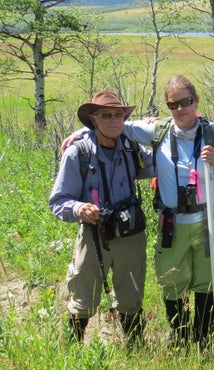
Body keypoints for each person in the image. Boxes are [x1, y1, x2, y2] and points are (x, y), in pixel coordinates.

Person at [120, 75, 214, 348]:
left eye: (185, 102)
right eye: (173, 104)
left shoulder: (212, 135)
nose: (180, 109)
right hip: (173, 220)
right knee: (171, 278)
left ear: (195, 101)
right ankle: (180, 334)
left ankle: (203, 335)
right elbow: (116, 127)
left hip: (209, 218)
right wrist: (80, 133)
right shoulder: (158, 131)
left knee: (208, 279)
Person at [49, 90, 154, 347]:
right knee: (83, 297)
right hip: (93, 233)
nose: (113, 120)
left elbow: (162, 163)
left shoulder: (132, 149)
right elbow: (58, 201)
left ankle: (136, 352)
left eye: (118, 114)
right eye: (106, 115)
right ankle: (72, 353)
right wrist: (79, 209)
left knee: (131, 296)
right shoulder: (78, 153)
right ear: (93, 120)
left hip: (130, 233)